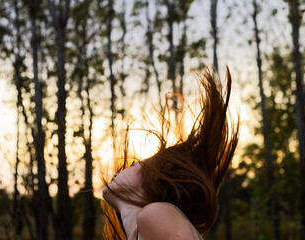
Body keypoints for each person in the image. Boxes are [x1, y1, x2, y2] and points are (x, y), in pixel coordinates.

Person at [102, 67, 239, 240]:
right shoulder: (150, 224)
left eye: (134, 165)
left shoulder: (156, 214)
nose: (117, 172)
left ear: (153, 179)